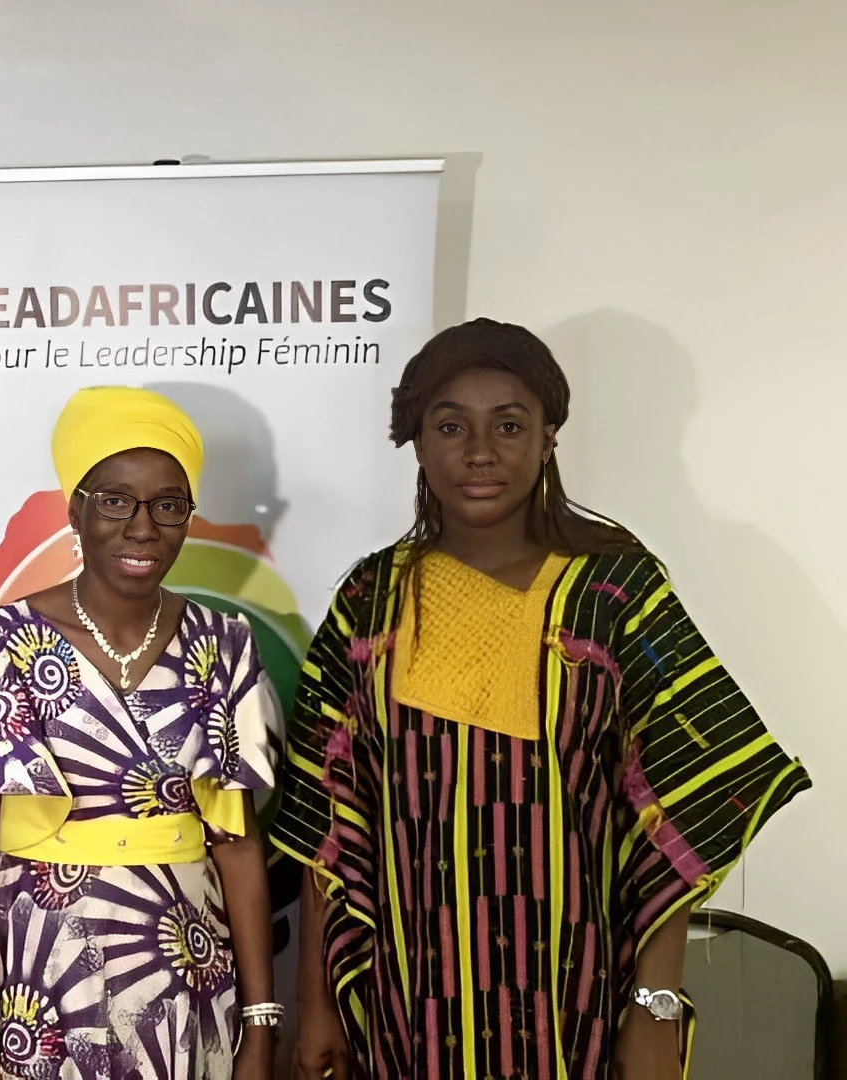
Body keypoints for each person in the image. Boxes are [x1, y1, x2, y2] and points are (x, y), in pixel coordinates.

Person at [274, 319, 811, 1080]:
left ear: (548, 437)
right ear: (417, 443)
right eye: (451, 426)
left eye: (509, 425)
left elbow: (675, 816)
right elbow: (326, 816)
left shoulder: (615, 594)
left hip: (577, 1001)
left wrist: (655, 1007)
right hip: (408, 1006)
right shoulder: (372, 601)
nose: (480, 451)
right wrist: (317, 1002)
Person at [0, 386, 282, 1080]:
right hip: (45, 978)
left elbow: (237, 845)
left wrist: (260, 1023)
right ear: (75, 509)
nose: (143, 527)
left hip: (187, 973)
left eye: (168, 504)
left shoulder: (222, 644)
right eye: (115, 501)